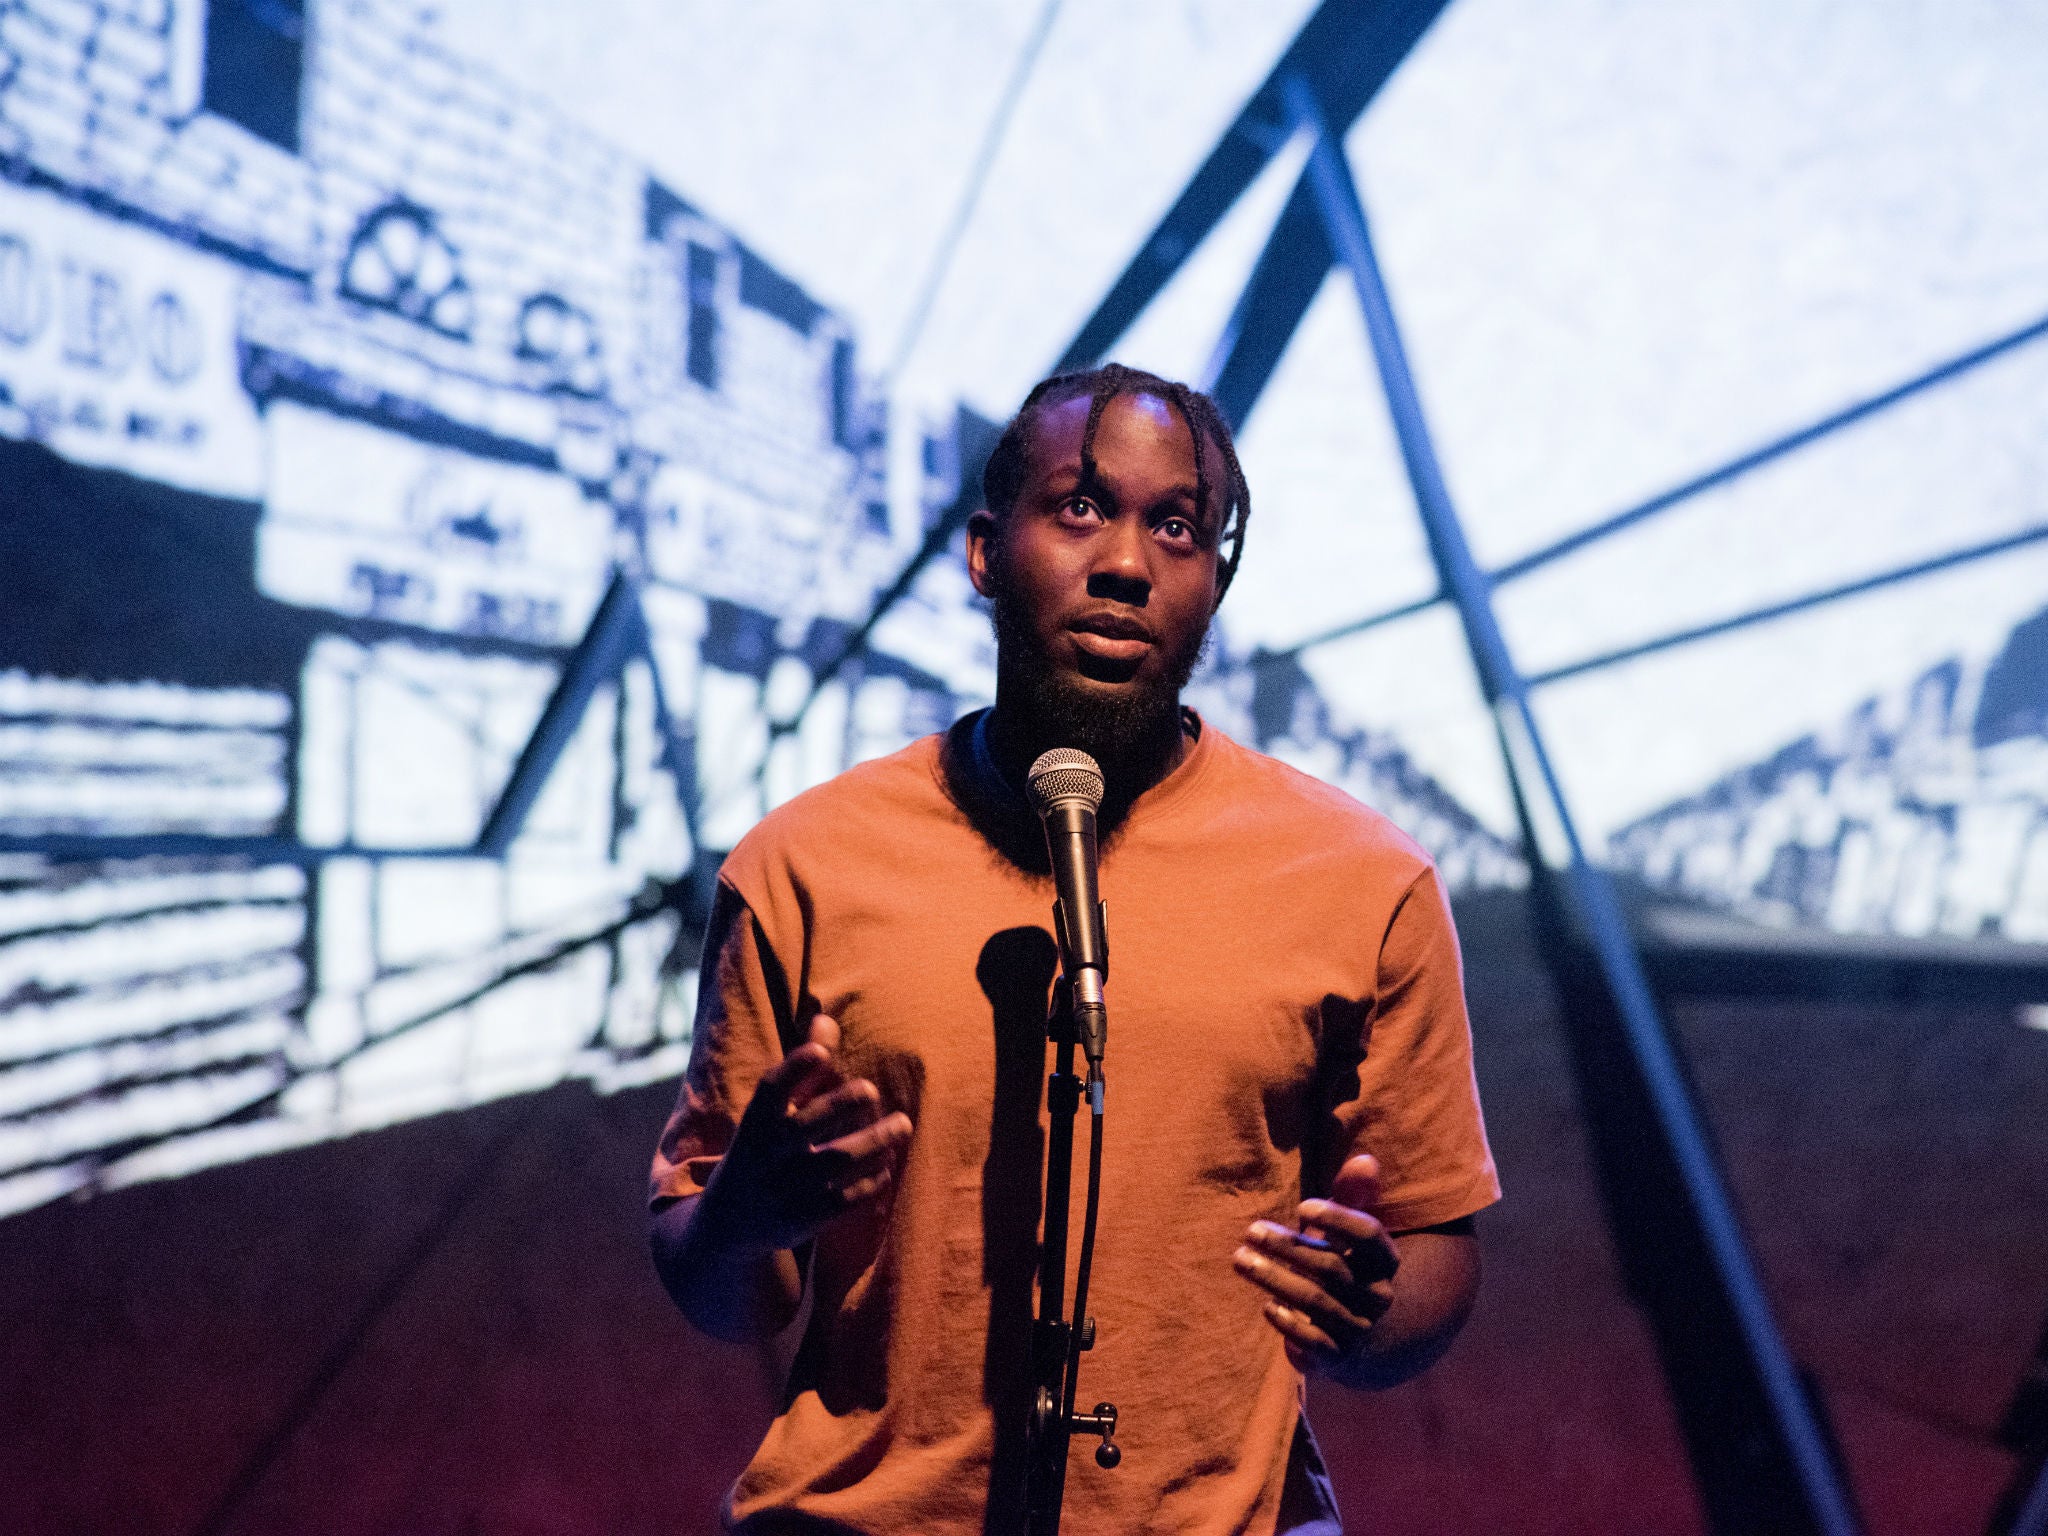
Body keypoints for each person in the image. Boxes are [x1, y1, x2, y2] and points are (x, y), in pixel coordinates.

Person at [649, 363, 1500, 1534]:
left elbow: (1432, 1260)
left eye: (1178, 527)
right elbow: (717, 1287)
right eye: (1082, 509)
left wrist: (1370, 1307)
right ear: (986, 553)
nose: (1124, 564)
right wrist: (748, 1209)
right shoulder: (803, 866)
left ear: (1214, 581)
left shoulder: (1361, 883)